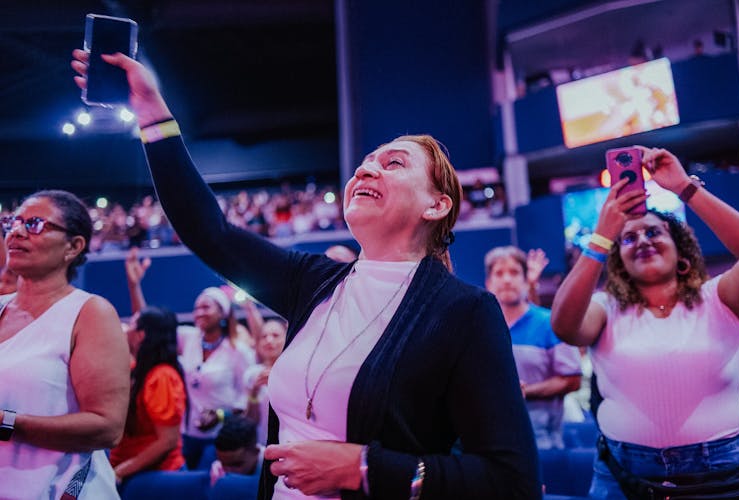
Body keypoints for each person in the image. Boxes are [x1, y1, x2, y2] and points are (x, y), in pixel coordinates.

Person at [72, 50, 540, 499]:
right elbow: (209, 231)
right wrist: (153, 112)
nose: (366, 169)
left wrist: (361, 468)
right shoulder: (313, 282)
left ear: (437, 206)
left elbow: (509, 481)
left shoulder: (463, 313)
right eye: (365, 163)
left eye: (392, 163)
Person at [550, 146, 739, 498]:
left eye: (654, 233)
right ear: (619, 260)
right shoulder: (605, 308)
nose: (642, 240)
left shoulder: (720, 297)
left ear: (681, 251)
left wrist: (685, 188)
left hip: (719, 474)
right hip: (623, 475)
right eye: (628, 238)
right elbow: (564, 326)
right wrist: (602, 234)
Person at [0, 189, 130, 498]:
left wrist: (8, 423)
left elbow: (107, 427)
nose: (16, 232)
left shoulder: (89, 312)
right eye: (13, 222)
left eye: (34, 224)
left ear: (73, 246)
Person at [124, 247, 254, 469]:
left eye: (206, 307)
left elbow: (246, 400)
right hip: (186, 434)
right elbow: (149, 326)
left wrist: (220, 415)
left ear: (223, 313)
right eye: (196, 308)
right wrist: (134, 285)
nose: (199, 312)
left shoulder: (239, 351)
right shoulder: (189, 337)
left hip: (220, 437)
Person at [485, 246, 582, 450]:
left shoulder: (549, 323)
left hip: (542, 442)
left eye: (514, 272)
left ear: (525, 279)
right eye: (499, 273)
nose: (507, 280)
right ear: (488, 283)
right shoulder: (480, 325)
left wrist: (523, 391)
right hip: (489, 441)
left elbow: (571, 380)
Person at [109, 306, 188, 484]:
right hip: (131, 472)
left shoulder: (162, 377)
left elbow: (167, 441)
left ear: (141, 335)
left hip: (156, 478)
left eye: (131, 324)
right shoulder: (135, 371)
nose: (125, 327)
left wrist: (121, 471)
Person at [245, 318, 287, 445]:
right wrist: (253, 394)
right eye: (264, 336)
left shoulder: (296, 371)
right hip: (262, 443)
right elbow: (251, 420)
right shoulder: (252, 374)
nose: (269, 340)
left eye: (275, 335)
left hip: (289, 441)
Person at [210, 414, 265, 486]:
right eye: (223, 464)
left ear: (256, 452)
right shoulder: (218, 470)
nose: (228, 471)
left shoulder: (276, 473)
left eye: (236, 465)